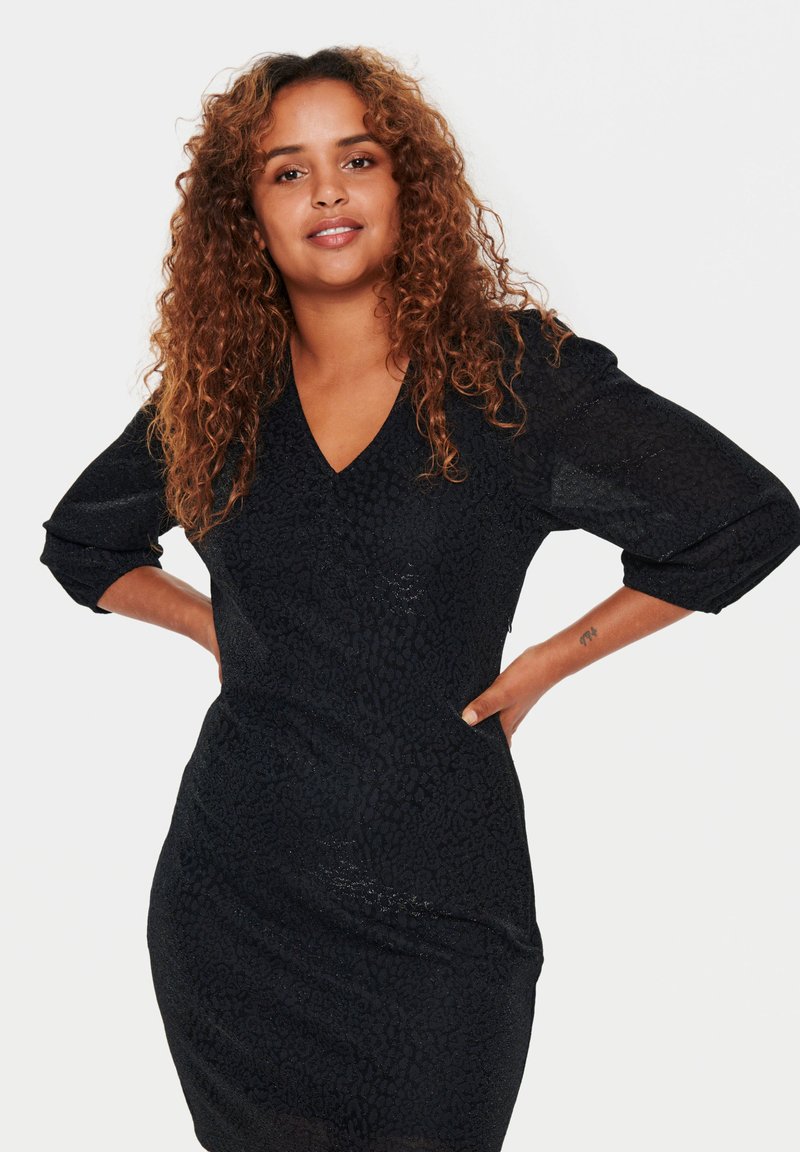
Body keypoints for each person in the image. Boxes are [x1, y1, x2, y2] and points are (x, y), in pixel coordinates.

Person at [39, 45, 800, 1152]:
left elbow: (740, 519)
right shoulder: (217, 395)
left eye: (357, 158)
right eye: (287, 171)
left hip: (444, 912)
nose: (328, 191)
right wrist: (224, 630)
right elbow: (83, 543)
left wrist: (545, 664)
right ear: (246, 216)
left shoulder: (510, 376)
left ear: (407, 184)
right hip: (237, 904)